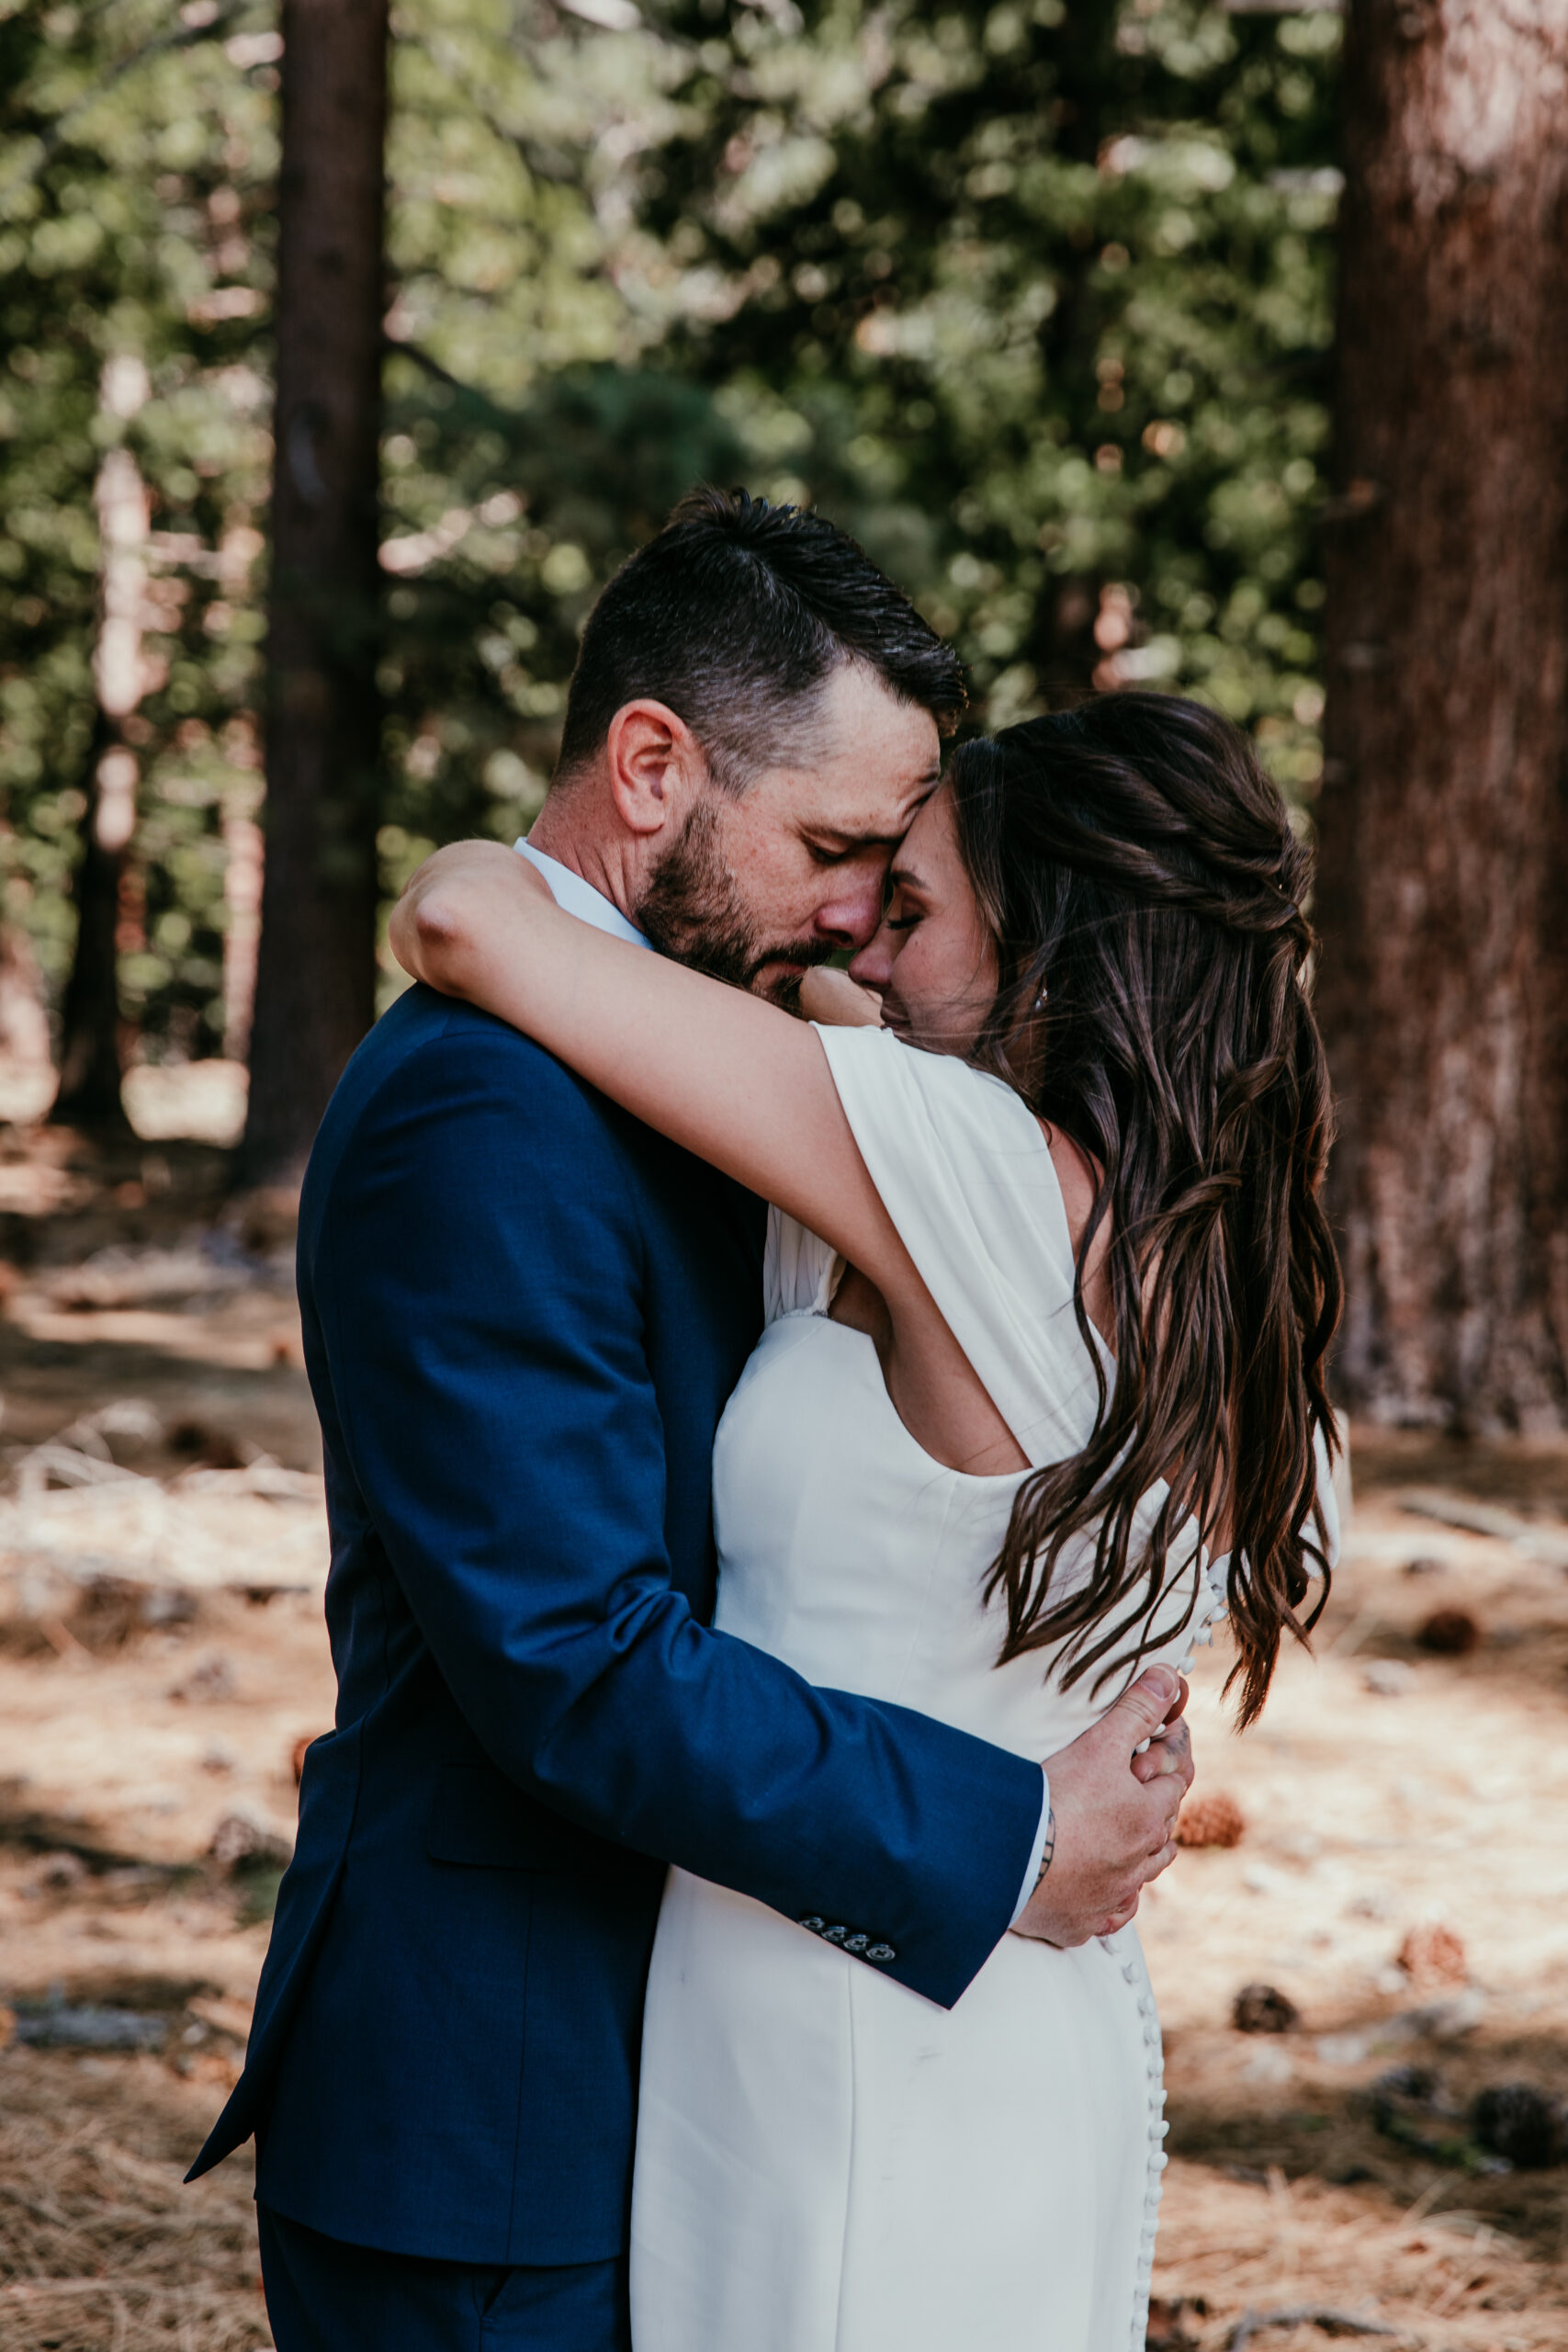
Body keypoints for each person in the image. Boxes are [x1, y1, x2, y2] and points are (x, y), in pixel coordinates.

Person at [186, 489, 1195, 2352]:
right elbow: (573, 1653)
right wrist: (993, 1833)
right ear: (651, 764)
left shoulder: (677, 1051)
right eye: (831, 847)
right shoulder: (478, 1106)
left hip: (700, 2073)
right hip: (498, 2106)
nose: (848, 919)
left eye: (892, 877)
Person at [390, 684, 1344, 2352]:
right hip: (1026, 2003)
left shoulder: (959, 1164)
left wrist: (553, 838)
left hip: (838, 2016)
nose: (865, 954)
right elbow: (846, 1007)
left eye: (911, 909)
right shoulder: (1224, 1256)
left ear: (1050, 949)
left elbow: (463, 916)